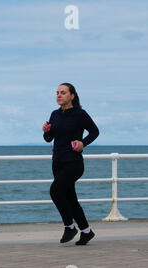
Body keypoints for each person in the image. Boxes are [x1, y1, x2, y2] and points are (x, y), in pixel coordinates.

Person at [43, 83, 99, 245]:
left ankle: (69, 226)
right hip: (58, 162)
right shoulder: (55, 114)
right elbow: (49, 139)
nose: (59, 95)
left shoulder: (80, 114)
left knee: (55, 191)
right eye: (57, 93)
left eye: (63, 93)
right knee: (70, 199)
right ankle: (87, 231)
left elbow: (95, 131)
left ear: (72, 96)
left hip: (74, 163)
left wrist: (83, 143)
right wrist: (46, 132)